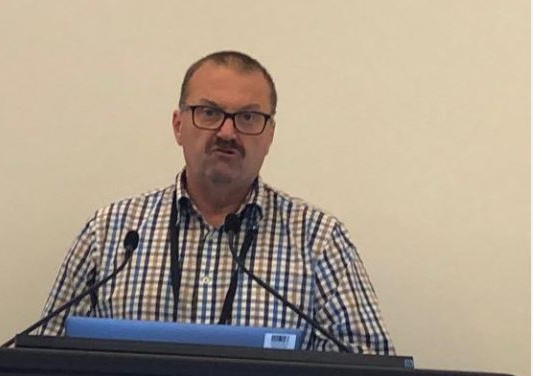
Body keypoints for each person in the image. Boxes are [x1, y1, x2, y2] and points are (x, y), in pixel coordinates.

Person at [37, 50, 394, 355]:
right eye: (209, 112)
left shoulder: (318, 240)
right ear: (178, 125)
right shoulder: (110, 232)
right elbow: (43, 364)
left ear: (270, 135)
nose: (227, 132)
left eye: (248, 117)